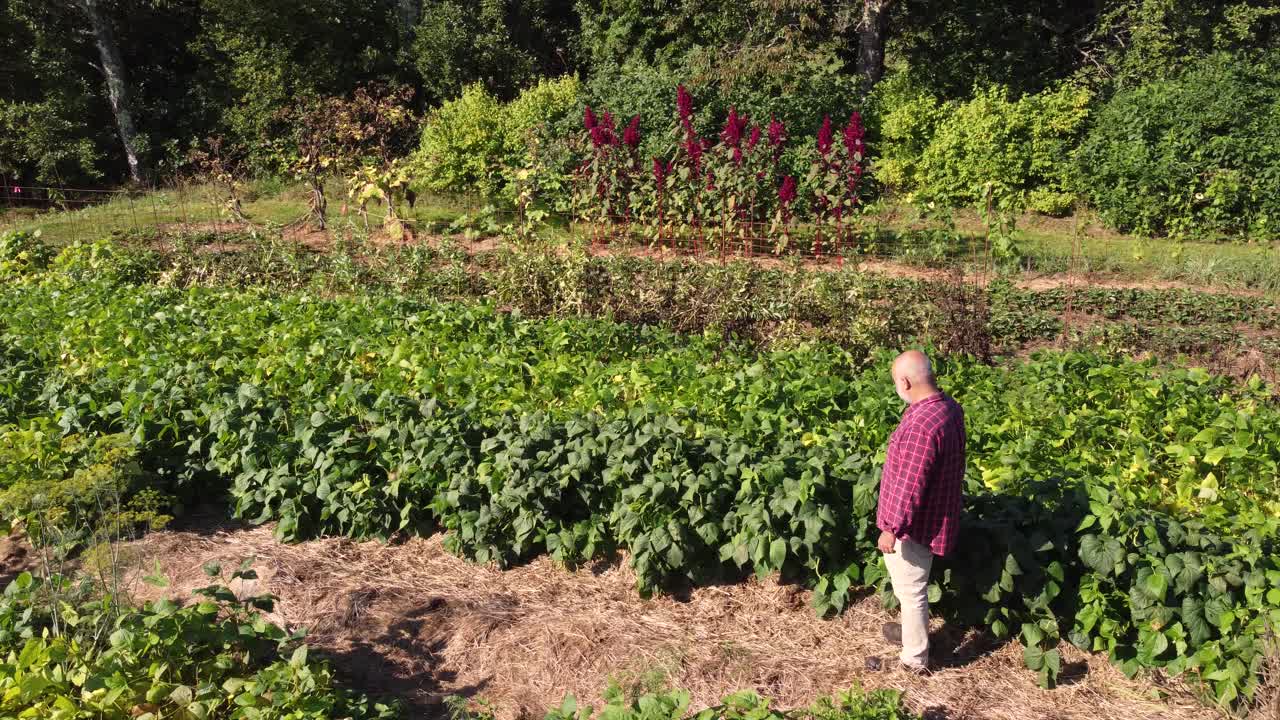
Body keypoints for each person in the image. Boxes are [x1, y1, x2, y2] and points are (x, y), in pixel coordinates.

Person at [876, 350, 966, 675]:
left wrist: (892, 528)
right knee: (912, 590)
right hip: (937, 514)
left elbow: (909, 486)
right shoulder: (948, 408)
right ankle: (911, 632)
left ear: (904, 381)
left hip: (915, 526)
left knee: (911, 591)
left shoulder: (921, 426)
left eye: (895, 383)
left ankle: (914, 659)